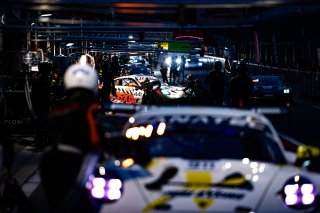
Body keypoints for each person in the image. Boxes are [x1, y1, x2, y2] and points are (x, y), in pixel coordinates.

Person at [39, 63, 105, 213]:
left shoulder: (59, 106)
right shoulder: (91, 108)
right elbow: (96, 139)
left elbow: (43, 128)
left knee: (56, 205)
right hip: (74, 163)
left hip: (48, 161)